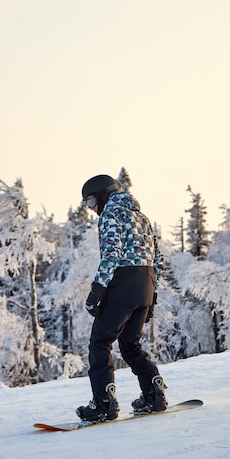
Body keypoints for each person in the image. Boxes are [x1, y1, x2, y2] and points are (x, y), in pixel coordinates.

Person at [76, 174, 168, 423]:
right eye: (88, 204)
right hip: (145, 286)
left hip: (122, 283)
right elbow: (157, 259)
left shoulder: (111, 214)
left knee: (100, 343)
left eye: (92, 201)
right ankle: (153, 393)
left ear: (104, 194)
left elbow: (112, 254)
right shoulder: (142, 217)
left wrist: (97, 290)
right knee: (130, 344)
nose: (93, 209)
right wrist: (153, 295)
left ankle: (103, 403)